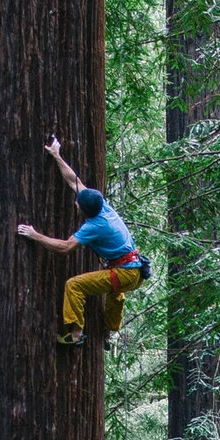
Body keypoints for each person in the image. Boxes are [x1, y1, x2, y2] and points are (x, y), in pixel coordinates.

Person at [16, 136, 151, 346]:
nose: (75, 203)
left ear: (84, 210)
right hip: (135, 271)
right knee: (115, 293)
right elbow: (74, 181)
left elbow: (66, 247)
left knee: (74, 285)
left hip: (125, 272)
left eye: (77, 204)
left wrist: (35, 236)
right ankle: (109, 332)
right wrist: (56, 155)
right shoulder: (102, 206)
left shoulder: (94, 226)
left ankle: (76, 334)